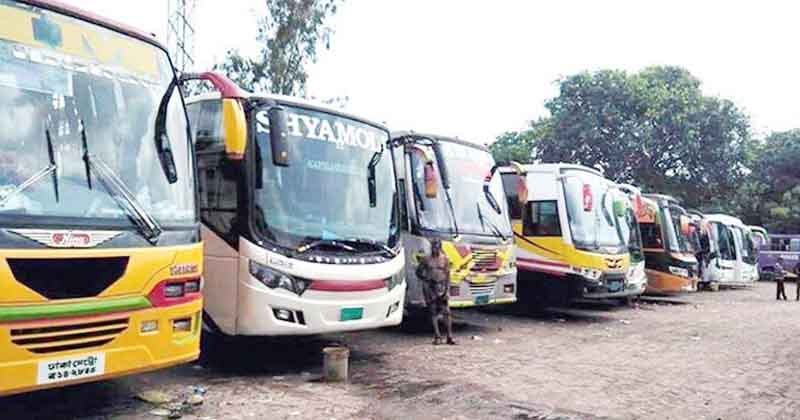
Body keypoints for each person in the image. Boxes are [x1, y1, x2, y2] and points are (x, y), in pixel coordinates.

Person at [415, 238, 456, 345]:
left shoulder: (445, 259)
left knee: (446, 312)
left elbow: (448, 275)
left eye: (437, 247)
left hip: (442, 286)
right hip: (430, 287)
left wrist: (447, 290)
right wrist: (426, 280)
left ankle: (449, 336)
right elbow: (418, 272)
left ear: (440, 247)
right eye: (433, 247)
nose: (435, 249)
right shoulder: (426, 259)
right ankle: (437, 336)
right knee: (433, 312)